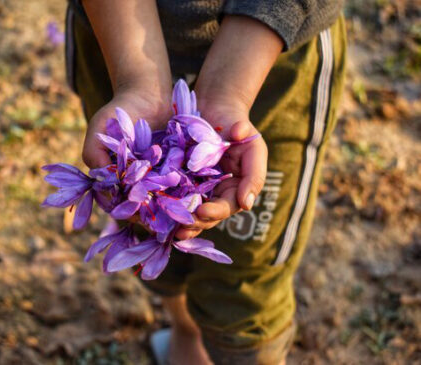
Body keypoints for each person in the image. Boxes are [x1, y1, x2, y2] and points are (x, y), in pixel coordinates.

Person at [64, 0, 346, 363]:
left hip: (274, 51)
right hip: (116, 41)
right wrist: (138, 82)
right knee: (148, 228)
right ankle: (186, 331)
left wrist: (230, 90)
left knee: (245, 278)